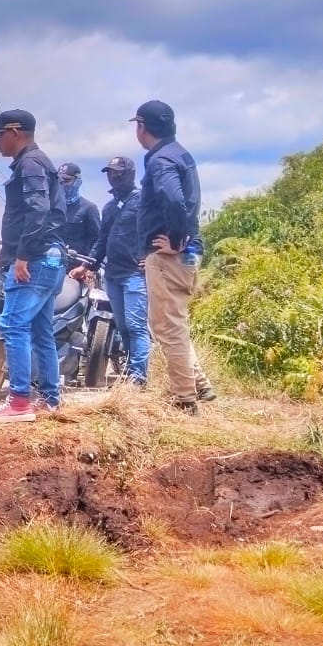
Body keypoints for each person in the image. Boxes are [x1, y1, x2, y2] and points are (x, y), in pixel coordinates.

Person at [0, 108, 67, 423]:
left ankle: (18, 402)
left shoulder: (30, 163)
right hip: (52, 257)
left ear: (15, 133)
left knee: (13, 324)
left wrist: (24, 255)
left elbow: (38, 209)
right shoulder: (39, 162)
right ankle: (50, 400)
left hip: (35, 258)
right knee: (42, 330)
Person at [131, 100, 216, 413]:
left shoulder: (160, 160)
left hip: (170, 254)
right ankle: (200, 384)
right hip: (187, 253)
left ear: (142, 127)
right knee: (174, 320)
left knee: (167, 326)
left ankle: (184, 398)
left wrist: (178, 240)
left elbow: (172, 198)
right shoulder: (180, 154)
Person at [70, 156, 150, 386]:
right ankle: (131, 373)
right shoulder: (110, 207)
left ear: (130, 174)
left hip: (135, 275)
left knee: (136, 326)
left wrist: (153, 256)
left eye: (118, 173)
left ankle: (139, 378)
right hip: (113, 276)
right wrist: (85, 266)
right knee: (124, 327)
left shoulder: (143, 201)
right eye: (110, 173)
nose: (113, 177)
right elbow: (101, 242)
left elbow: (157, 230)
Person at [57, 162, 101, 258]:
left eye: (66, 180)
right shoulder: (50, 207)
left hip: (76, 267)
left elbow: (97, 242)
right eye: (59, 181)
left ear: (77, 181)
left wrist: (88, 268)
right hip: (51, 265)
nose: (62, 184)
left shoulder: (89, 208)